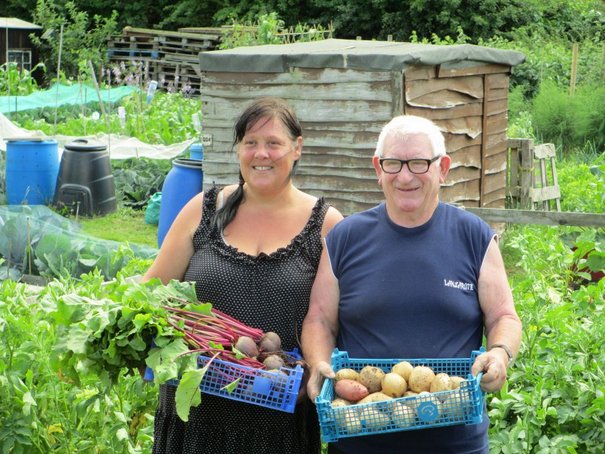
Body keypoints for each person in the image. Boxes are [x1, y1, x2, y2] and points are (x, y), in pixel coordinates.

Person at [301, 115, 522, 453]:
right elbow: (319, 319)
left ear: (442, 168)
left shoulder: (473, 235)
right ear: (378, 168)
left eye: (419, 163)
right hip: (360, 437)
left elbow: (504, 316)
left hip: (455, 440)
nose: (405, 176)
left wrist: (500, 352)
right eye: (393, 163)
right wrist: (318, 362)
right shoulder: (345, 237)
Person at [143, 97, 343, 454]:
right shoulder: (203, 210)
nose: (261, 154)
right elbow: (150, 292)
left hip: (280, 422)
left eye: (273, 143)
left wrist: (314, 367)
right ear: (238, 150)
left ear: (297, 148)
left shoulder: (327, 225)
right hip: (195, 416)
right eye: (250, 143)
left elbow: (330, 319)